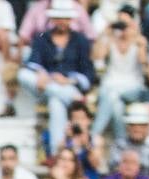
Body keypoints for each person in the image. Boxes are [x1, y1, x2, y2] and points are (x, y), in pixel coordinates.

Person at [19, 0, 94, 156]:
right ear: (53, 19)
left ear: (71, 20)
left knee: (56, 104)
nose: (62, 21)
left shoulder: (80, 41)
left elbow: (88, 73)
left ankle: (56, 154)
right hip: (47, 87)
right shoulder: (43, 38)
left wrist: (69, 80)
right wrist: (42, 74)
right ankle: (73, 99)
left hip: (69, 86)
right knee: (23, 75)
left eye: (65, 18)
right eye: (59, 18)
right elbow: (33, 62)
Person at [92, 4, 149, 142]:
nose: (122, 27)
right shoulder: (111, 39)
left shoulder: (139, 40)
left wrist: (135, 35)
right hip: (111, 84)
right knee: (117, 105)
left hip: (132, 85)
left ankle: (93, 134)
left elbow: (144, 63)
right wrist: (105, 33)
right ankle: (121, 142)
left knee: (112, 95)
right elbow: (97, 58)